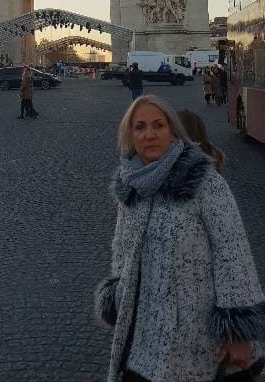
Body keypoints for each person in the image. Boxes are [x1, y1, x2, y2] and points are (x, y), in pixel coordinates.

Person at [95, 95, 265, 382]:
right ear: (129, 135)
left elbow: (233, 255)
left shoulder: (204, 182)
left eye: (158, 125)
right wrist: (120, 294)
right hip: (144, 334)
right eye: (139, 127)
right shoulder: (130, 185)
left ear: (173, 132)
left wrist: (238, 332)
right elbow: (121, 249)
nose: (149, 134)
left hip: (199, 338)